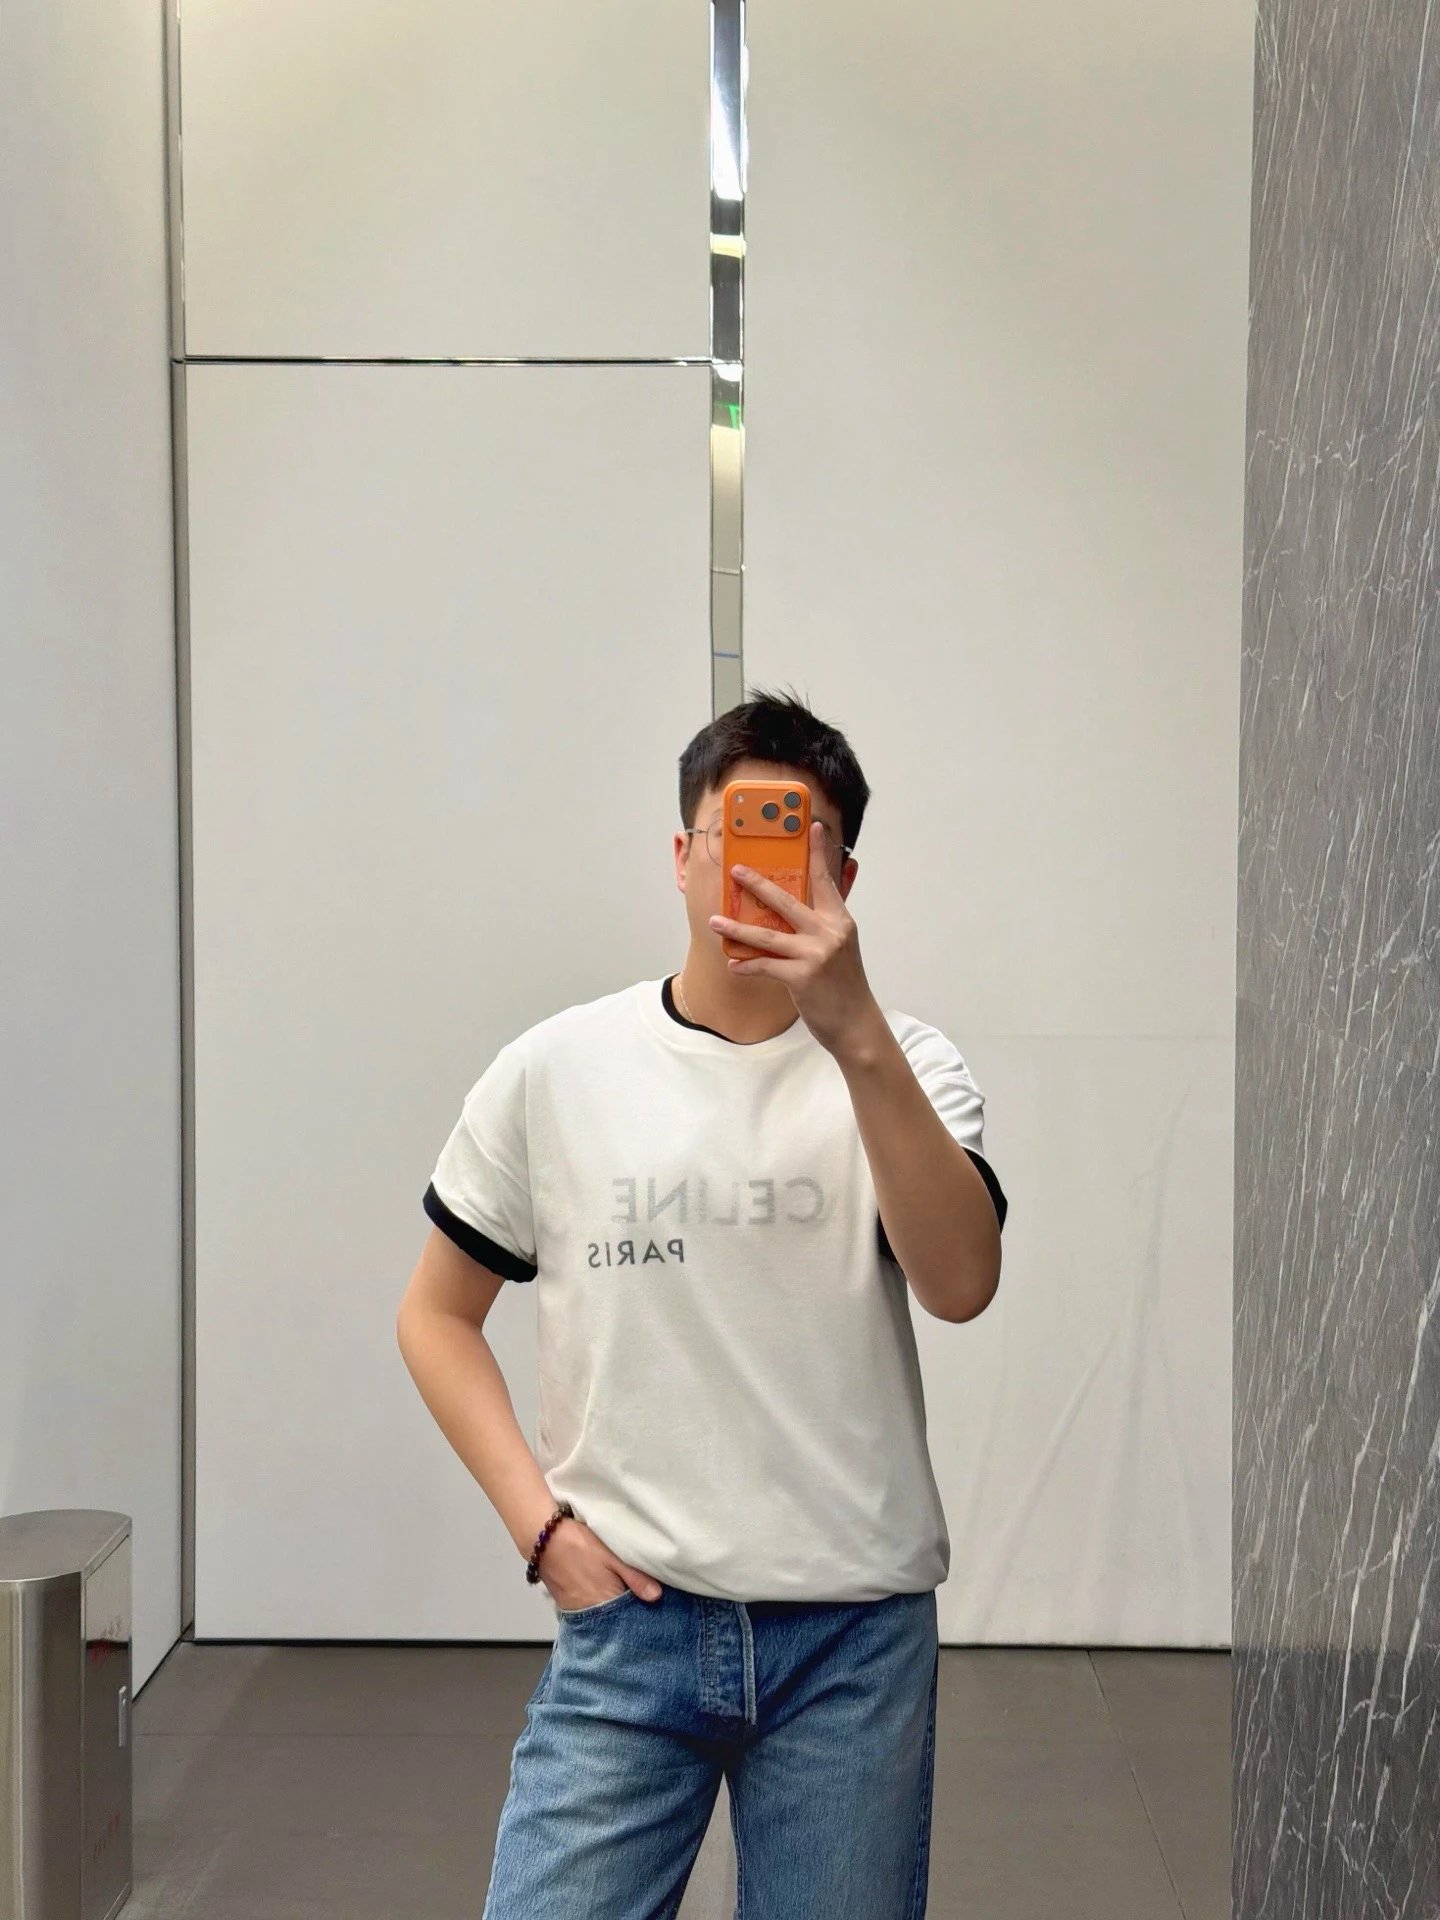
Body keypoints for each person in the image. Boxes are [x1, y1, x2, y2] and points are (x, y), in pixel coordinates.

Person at [396, 687, 1008, 1919]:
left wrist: (856, 1034)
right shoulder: (556, 1070)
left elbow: (960, 1285)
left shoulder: (912, 1066)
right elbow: (436, 1315)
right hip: (630, 1626)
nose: (757, 867)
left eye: (798, 839)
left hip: (851, 1637)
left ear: (844, 876)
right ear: (681, 856)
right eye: (735, 834)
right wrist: (540, 1531)